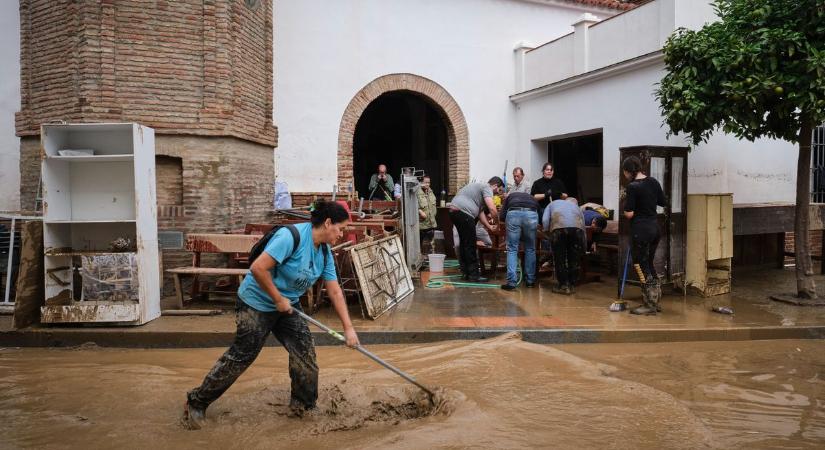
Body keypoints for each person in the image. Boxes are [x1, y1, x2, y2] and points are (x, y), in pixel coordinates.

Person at [183, 200, 359, 429]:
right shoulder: (291, 237)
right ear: (328, 223)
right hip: (256, 302)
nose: (342, 234)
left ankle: (303, 407)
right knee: (242, 355)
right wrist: (277, 298)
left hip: (289, 306)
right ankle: (196, 402)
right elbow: (257, 268)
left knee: (305, 355)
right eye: (341, 228)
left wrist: (348, 328)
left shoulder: (324, 253)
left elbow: (334, 290)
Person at [622, 156, 666, 315]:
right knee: (649, 262)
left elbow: (629, 213)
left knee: (641, 265)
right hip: (655, 229)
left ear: (628, 171)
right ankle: (656, 300)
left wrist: (625, 209)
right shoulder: (653, 181)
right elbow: (663, 202)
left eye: (625, 172)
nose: (625, 175)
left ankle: (649, 304)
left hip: (640, 231)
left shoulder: (633, 186)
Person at [448, 177, 504, 282]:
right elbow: (492, 209)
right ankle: (474, 275)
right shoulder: (487, 187)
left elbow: (480, 213)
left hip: (454, 211)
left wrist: (489, 226)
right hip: (464, 213)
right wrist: (497, 225)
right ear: (495, 185)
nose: (497, 193)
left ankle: (466, 273)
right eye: (499, 190)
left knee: (464, 244)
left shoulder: (477, 189)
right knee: (470, 245)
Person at [542, 197, 586, 295]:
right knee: (573, 258)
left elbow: (545, 220)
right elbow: (583, 226)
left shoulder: (551, 204)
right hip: (577, 229)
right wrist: (584, 246)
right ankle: (571, 285)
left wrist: (547, 232)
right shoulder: (576, 207)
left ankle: (563, 285)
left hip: (559, 228)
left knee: (559, 257)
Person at [499, 191, 539, 290]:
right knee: (530, 248)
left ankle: (511, 282)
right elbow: (541, 214)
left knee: (512, 249)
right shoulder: (531, 198)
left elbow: (502, 216)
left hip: (513, 213)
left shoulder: (510, 196)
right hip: (531, 214)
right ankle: (530, 281)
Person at [417, 175, 438, 253]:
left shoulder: (430, 191)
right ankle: (421, 259)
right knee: (420, 245)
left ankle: (431, 260)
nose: (427, 184)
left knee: (432, 245)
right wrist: (419, 211)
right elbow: (411, 205)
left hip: (431, 223)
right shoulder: (417, 192)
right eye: (425, 182)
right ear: (421, 183)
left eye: (429, 183)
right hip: (421, 225)